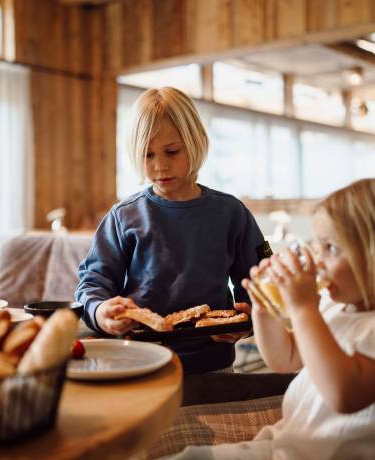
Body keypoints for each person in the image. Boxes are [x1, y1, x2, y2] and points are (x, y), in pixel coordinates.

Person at [162, 178, 375, 459]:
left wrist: (303, 309)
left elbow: (344, 395)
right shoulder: (336, 309)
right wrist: (264, 310)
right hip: (285, 443)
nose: (317, 261)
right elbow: (283, 358)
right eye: (318, 247)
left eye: (331, 248)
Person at [75, 87, 271, 374]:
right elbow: (93, 282)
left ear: (196, 143)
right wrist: (100, 312)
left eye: (172, 151)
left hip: (213, 365)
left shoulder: (231, 213)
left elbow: (260, 285)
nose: (160, 165)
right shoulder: (124, 216)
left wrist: (250, 321)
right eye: (147, 155)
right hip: (139, 361)